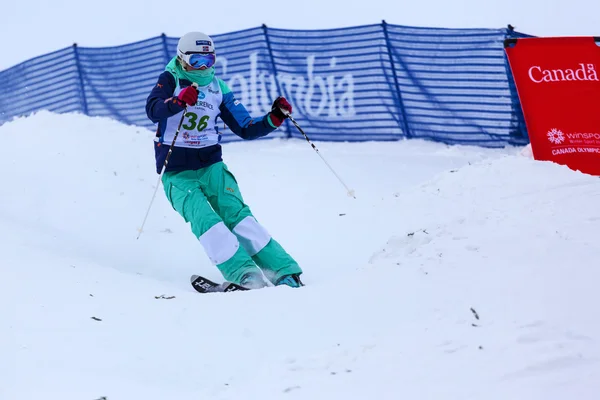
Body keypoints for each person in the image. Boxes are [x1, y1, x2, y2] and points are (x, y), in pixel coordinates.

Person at [145, 31, 303, 289]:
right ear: (183, 59)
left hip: (212, 166)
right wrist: (177, 101)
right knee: (206, 221)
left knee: (239, 216)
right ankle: (245, 274)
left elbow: (246, 127)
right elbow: (152, 109)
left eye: (209, 60)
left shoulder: (219, 88)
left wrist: (273, 118)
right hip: (177, 172)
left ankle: (283, 270)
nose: (204, 67)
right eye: (197, 61)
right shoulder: (170, 79)